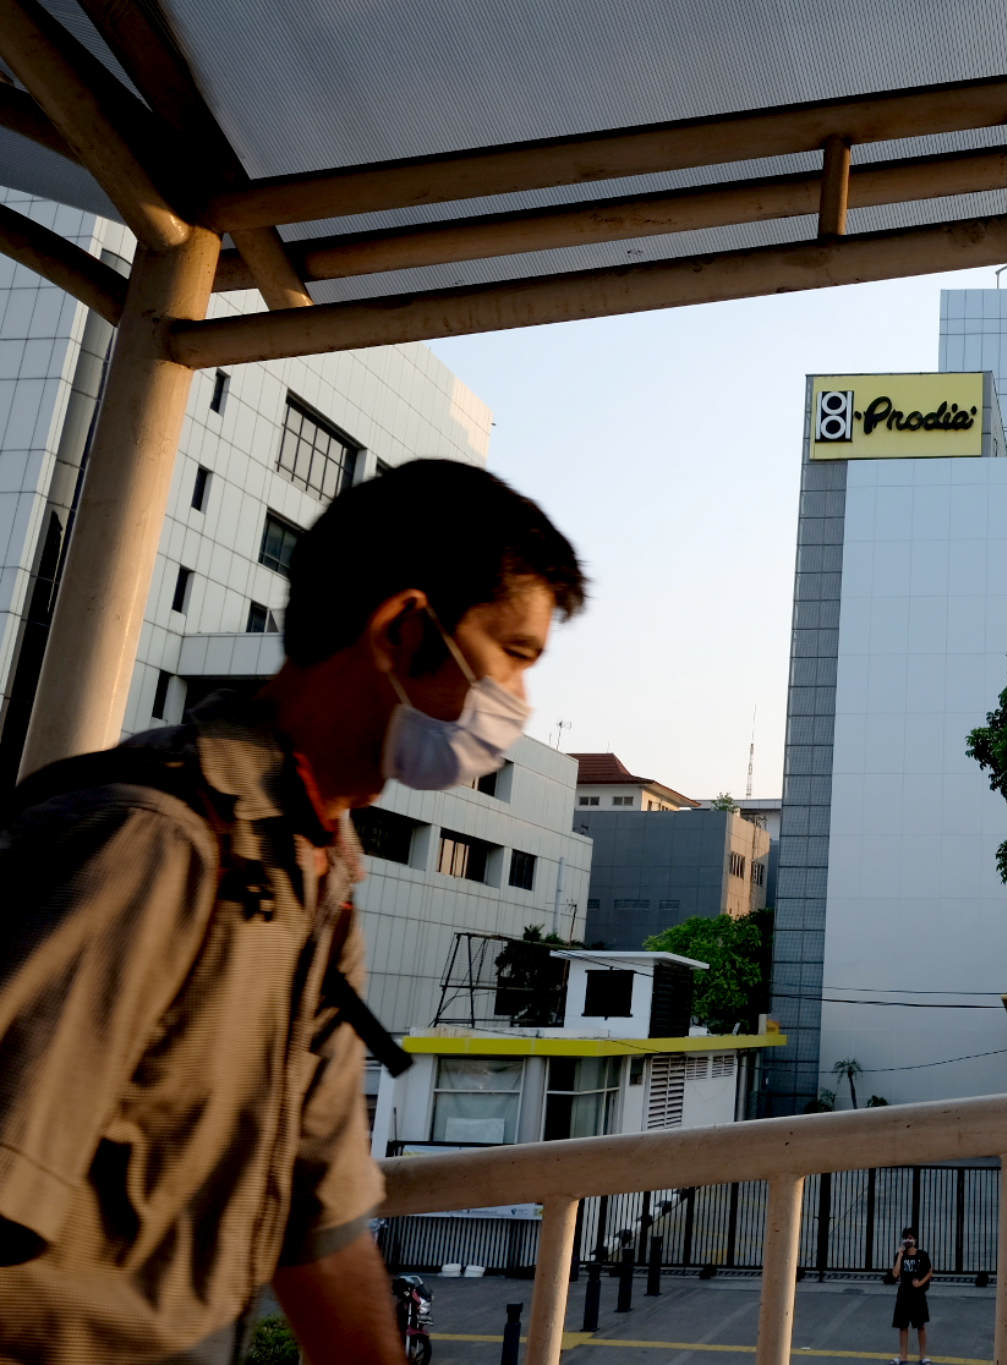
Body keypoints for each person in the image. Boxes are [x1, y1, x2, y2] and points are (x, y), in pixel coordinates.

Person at [0, 460, 585, 1364]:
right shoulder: (149, 843)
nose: (519, 703)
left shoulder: (314, 879)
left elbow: (323, 1230)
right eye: (513, 653)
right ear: (401, 629)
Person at [892, 1226, 934, 1364]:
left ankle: (923, 1356)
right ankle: (903, 1356)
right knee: (903, 1326)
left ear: (915, 1239)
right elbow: (895, 1274)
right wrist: (899, 1255)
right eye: (906, 1238)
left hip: (918, 1296)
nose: (908, 1240)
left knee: (920, 1326)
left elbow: (930, 1272)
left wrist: (920, 1283)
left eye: (911, 1238)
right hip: (903, 1294)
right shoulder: (900, 1256)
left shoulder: (922, 1255)